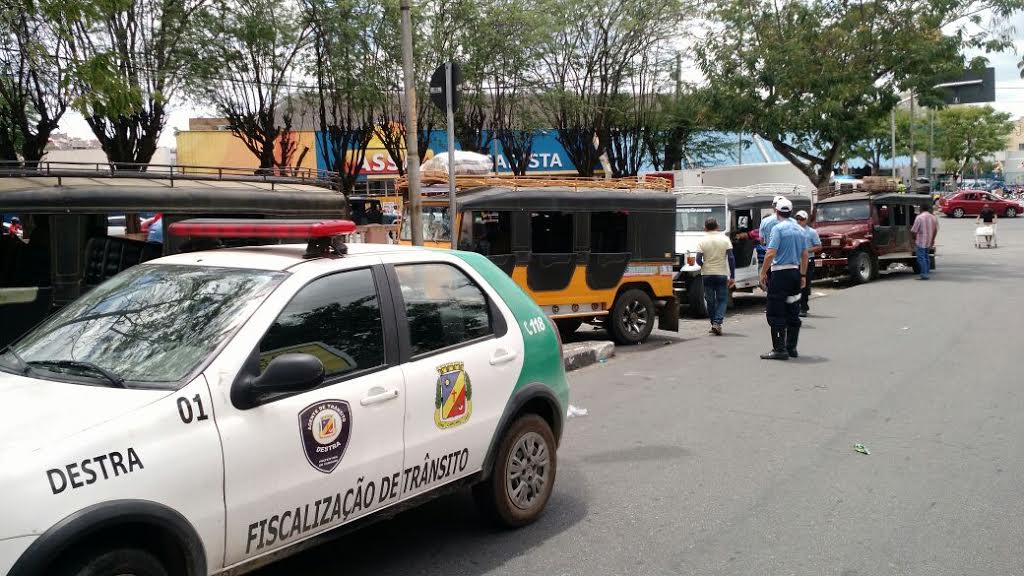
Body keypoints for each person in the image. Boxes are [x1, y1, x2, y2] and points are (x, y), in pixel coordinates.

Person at [758, 198, 808, 360]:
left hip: (780, 274)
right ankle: (791, 347)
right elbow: (805, 254)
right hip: (795, 272)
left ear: (777, 211)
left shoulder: (778, 229)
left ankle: (779, 349)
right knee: (793, 309)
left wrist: (763, 273)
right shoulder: (800, 229)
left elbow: (770, 253)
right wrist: (803, 275)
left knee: (775, 311)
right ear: (791, 212)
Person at [696, 217, 735, 336]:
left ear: (705, 228)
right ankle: (717, 323)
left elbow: (698, 259)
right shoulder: (725, 239)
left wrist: (704, 265)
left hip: (707, 274)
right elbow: (731, 258)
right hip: (721, 273)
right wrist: (732, 276)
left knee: (710, 300)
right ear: (717, 226)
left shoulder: (702, 240)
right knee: (722, 299)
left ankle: (714, 323)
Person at [794, 210, 821, 317]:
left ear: (806, 220)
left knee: (804, 285)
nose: (799, 221)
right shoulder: (792, 231)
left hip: (808, 261)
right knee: (794, 285)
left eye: (801, 219)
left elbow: (818, 246)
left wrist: (806, 251)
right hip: (795, 261)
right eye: (797, 219)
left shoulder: (811, 232)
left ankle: (803, 307)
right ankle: (795, 306)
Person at [910, 204, 938, 280]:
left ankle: (924, 274)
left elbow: (914, 230)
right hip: (929, 241)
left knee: (921, 258)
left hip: (921, 241)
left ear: (921, 209)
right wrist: (932, 240)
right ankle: (926, 272)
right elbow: (935, 230)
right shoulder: (933, 217)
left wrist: (914, 238)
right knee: (926, 257)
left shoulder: (919, 217)